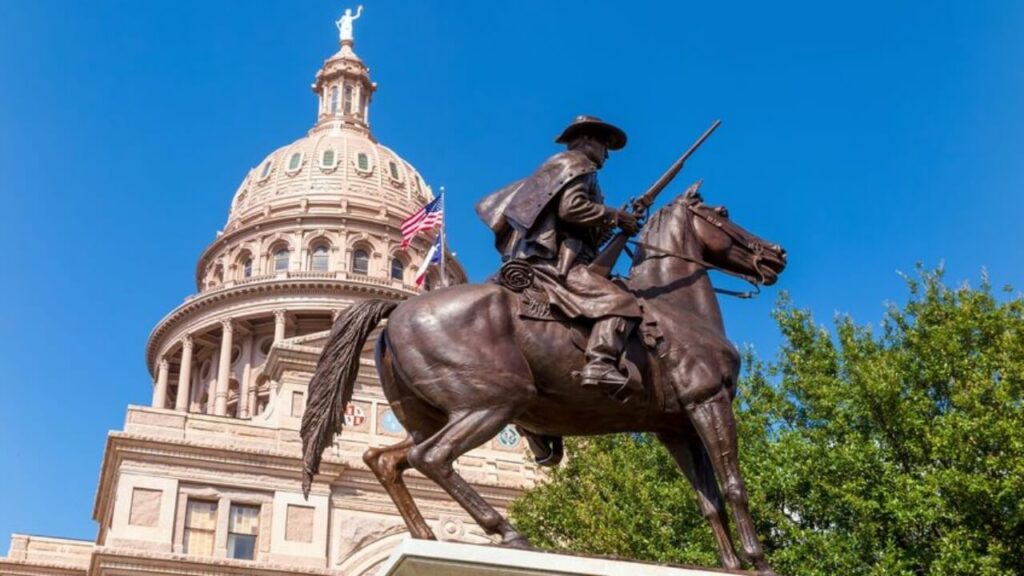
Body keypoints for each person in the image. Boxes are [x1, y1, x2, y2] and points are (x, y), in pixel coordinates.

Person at [476, 115, 643, 394]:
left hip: (557, 255)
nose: (607, 154)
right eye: (604, 145)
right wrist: (615, 215)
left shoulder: (566, 167)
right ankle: (600, 363)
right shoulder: (578, 164)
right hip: (554, 262)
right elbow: (571, 209)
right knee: (622, 302)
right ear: (586, 140)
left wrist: (614, 225)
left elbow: (576, 224)